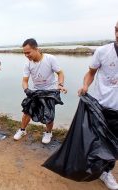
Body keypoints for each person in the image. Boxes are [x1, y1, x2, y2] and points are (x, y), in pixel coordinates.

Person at [78, 21, 118, 190]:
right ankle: (105, 172)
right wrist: (85, 85)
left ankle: (105, 169)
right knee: (101, 142)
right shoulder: (102, 51)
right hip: (102, 106)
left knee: (115, 143)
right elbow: (91, 73)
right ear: (115, 31)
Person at [14, 38, 67, 144]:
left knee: (49, 114)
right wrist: (26, 90)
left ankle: (48, 132)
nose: (27, 55)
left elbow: (60, 73)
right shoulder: (27, 64)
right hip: (36, 90)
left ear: (36, 49)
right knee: (27, 110)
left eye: (28, 52)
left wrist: (60, 85)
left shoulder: (50, 59)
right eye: (24, 53)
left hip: (50, 90)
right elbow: (25, 81)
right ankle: (23, 130)